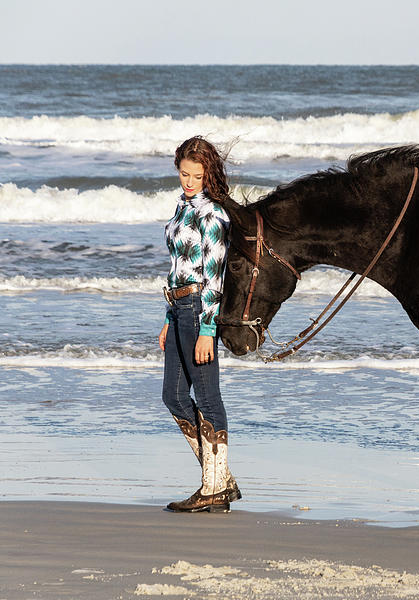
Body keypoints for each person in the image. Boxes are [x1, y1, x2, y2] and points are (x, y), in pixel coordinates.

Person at [158, 136, 240, 513]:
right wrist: (166, 318)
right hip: (177, 308)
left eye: (196, 175)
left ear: (209, 175)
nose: (189, 181)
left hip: (198, 309)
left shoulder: (213, 215)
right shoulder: (180, 208)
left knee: (207, 398)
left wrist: (208, 331)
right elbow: (177, 266)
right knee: (173, 396)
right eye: (184, 174)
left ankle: (213, 487)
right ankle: (220, 481)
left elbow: (214, 278)